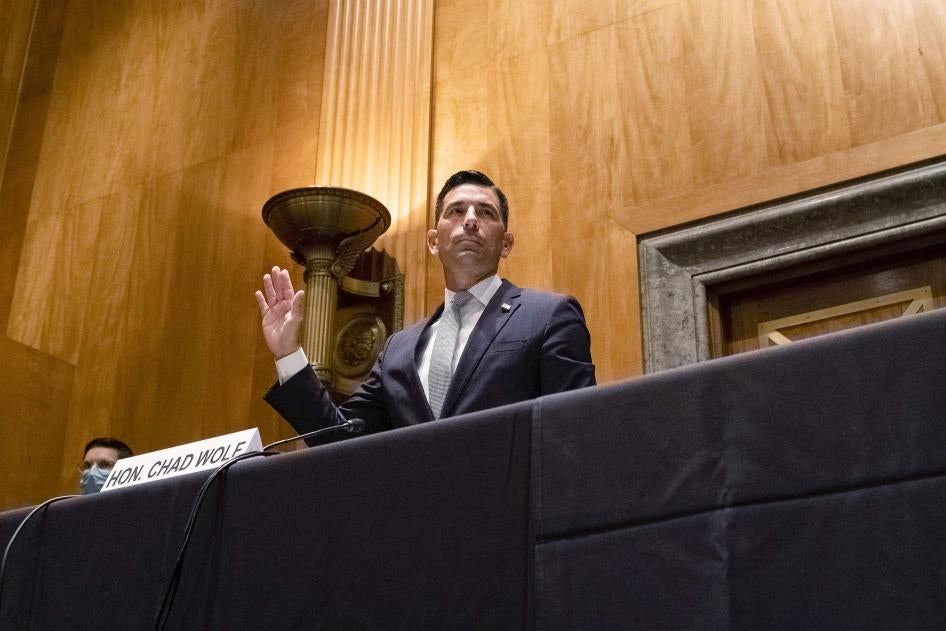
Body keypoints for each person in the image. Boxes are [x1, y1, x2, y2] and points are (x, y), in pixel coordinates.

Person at [256, 170, 595, 437]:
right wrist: (288, 355)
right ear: (434, 242)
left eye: (486, 213)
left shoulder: (547, 315)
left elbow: (576, 432)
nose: (471, 220)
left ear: (505, 244)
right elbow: (340, 436)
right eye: (457, 211)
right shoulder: (397, 350)